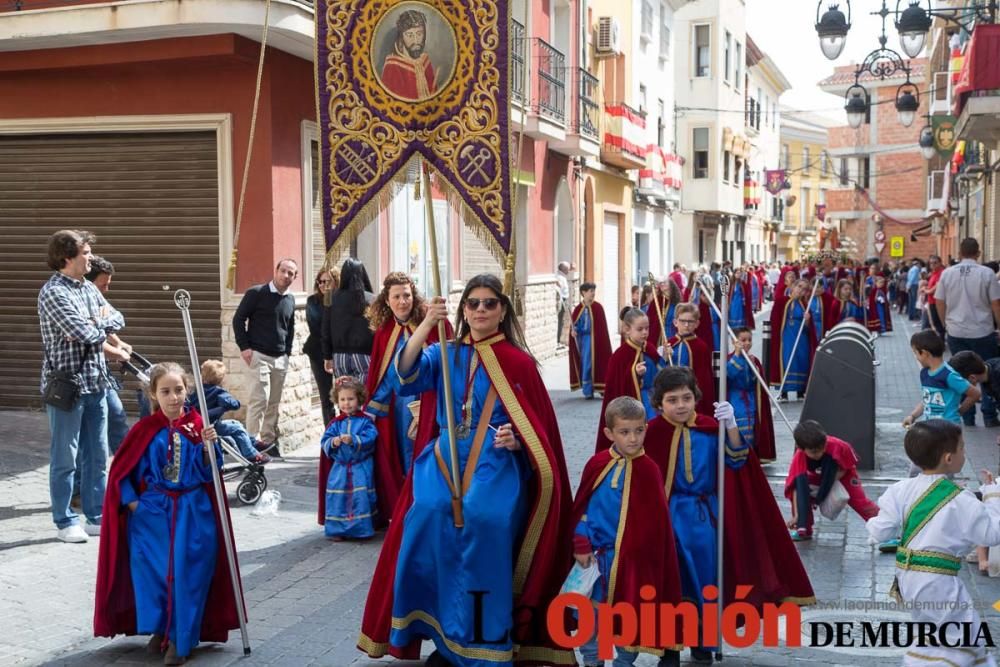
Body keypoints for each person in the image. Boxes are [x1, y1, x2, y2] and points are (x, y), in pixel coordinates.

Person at [358, 274, 574, 667]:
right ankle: (441, 635)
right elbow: (402, 375)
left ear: (502, 310)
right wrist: (426, 323)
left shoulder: (519, 362)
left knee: (485, 520)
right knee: (426, 515)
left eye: (489, 303)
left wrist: (517, 439)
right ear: (462, 310)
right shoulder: (445, 352)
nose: (480, 310)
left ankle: (482, 639)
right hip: (444, 457)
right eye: (472, 303)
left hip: (495, 459)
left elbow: (536, 426)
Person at [644, 367, 815, 663]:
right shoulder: (652, 433)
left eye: (686, 397)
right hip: (668, 519)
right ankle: (669, 647)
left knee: (707, 582)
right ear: (659, 403)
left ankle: (702, 642)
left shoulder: (711, 427)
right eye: (672, 400)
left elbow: (736, 461)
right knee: (672, 583)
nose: (681, 405)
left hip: (706, 520)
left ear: (696, 397)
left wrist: (732, 426)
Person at [94, 362, 242, 665]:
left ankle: (180, 639)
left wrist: (207, 448)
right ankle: (162, 627)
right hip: (152, 518)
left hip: (193, 512)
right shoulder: (144, 430)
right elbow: (121, 475)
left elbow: (209, 474)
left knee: (188, 577)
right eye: (166, 391)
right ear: (153, 394)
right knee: (157, 577)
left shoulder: (199, 426)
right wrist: (136, 505)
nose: (174, 397)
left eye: (179, 390)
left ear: (187, 391)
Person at [867, 420, 1000, 666]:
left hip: (907, 578)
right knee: (962, 637)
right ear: (948, 458)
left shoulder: (900, 489)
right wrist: (993, 497)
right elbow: (991, 534)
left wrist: (871, 526)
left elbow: (881, 530)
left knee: (933, 632)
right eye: (962, 448)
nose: (965, 453)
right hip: (938, 580)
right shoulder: (961, 498)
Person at [570, 396, 682, 667]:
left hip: (633, 564)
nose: (633, 438)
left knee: (628, 617)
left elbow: (656, 527)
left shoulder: (649, 471)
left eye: (639, 430)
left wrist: (639, 552)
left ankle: (624, 662)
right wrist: (581, 541)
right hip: (595, 562)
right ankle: (592, 661)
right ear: (609, 433)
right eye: (624, 432)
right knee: (591, 620)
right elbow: (582, 508)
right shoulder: (597, 465)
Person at [39, 230, 125, 542]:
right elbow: (81, 331)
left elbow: (117, 317)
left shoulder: (89, 288)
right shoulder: (53, 293)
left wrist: (95, 322)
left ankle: (96, 515)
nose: (90, 258)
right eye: (85, 253)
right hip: (68, 388)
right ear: (67, 258)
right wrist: (95, 325)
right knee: (65, 457)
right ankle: (64, 521)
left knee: (98, 455)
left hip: (97, 383)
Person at [364, 271, 450, 519]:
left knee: (425, 452)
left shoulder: (432, 324)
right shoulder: (384, 331)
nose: (403, 301)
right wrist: (373, 406)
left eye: (407, 295)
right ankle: (403, 506)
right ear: (386, 300)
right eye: (397, 296)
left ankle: (424, 505)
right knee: (401, 455)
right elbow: (380, 373)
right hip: (396, 407)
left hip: (428, 400)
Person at [232, 258, 298, 455]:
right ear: (276, 271)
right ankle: (251, 443)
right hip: (258, 355)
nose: (285, 276)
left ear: (294, 278)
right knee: (260, 400)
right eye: (283, 271)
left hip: (280, 358)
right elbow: (238, 319)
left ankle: (268, 443)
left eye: (290, 273)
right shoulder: (257, 293)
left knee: (273, 403)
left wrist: (287, 353)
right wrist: (244, 347)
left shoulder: (290, 299)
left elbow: (290, 328)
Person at [935, 238, 1000, 427]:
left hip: (956, 330)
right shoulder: (987, 274)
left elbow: (939, 301)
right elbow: (996, 304)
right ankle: (989, 415)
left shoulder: (947, 274)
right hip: (982, 330)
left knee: (961, 373)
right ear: (978, 253)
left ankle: (967, 416)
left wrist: (944, 324)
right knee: (987, 372)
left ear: (960, 253)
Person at [783, 420, 878, 541]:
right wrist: (797, 515)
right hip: (816, 475)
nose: (820, 453)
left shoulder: (839, 446)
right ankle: (804, 528)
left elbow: (847, 466)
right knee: (801, 490)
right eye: (814, 452)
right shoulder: (799, 458)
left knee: (860, 502)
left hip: (842, 472)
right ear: (801, 448)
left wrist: (826, 487)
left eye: (822, 448)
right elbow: (796, 488)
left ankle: (884, 524)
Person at [595, 308, 666, 450]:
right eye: (640, 329)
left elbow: (662, 373)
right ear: (628, 329)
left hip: (653, 400)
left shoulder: (650, 348)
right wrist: (634, 373)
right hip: (636, 404)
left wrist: (665, 357)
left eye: (647, 328)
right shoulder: (620, 355)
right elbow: (617, 384)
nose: (645, 332)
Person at [318, 377, 378, 540]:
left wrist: (354, 439)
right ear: (337, 401)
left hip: (360, 466)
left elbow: (371, 436)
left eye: (350, 399)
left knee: (360, 497)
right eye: (342, 399)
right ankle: (337, 530)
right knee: (337, 497)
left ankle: (360, 529)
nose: (347, 403)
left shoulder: (366, 421)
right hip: (340, 468)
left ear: (359, 399)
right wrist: (334, 441)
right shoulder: (336, 424)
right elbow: (325, 440)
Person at [85, 255, 131, 455]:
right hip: (84, 376)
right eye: (103, 285)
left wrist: (119, 342)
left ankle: (126, 467)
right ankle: (79, 484)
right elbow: (90, 336)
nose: (107, 290)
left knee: (117, 417)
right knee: (88, 436)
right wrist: (118, 354)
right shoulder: (76, 300)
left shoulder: (97, 299)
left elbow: (114, 318)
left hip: (101, 375)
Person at [186, 360, 270, 464]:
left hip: (195, 425)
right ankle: (251, 454)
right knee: (237, 428)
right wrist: (225, 407)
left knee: (235, 424)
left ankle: (252, 442)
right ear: (221, 379)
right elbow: (233, 404)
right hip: (211, 427)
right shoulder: (218, 391)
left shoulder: (195, 390)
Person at [902, 330, 980, 431]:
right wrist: (912, 416)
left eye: (915, 353)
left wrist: (959, 412)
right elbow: (927, 400)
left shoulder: (949, 375)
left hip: (948, 429)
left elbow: (975, 394)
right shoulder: (924, 373)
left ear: (925, 353)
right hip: (930, 428)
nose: (916, 357)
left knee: (952, 448)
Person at [727, 327, 775, 462]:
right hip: (736, 400)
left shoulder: (754, 360)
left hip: (752, 400)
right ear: (734, 341)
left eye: (749, 340)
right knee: (739, 429)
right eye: (743, 340)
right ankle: (739, 457)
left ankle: (751, 457)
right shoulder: (729, 359)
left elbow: (757, 382)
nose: (747, 343)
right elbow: (729, 374)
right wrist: (737, 355)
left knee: (752, 429)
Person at [323, 258, 375, 382]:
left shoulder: (331, 298)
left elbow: (325, 330)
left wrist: (327, 356)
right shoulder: (372, 299)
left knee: (344, 397)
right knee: (363, 396)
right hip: (365, 355)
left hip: (339, 356)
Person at [664, 303, 715, 416]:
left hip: (690, 393)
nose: (686, 325)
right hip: (671, 391)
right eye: (682, 321)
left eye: (690, 321)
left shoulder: (701, 347)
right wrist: (664, 358)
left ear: (697, 324)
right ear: (675, 322)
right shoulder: (669, 344)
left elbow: (704, 379)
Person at [769, 279, 815, 401]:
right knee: (786, 360)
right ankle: (784, 392)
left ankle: (800, 391)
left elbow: (810, 329)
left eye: (804, 289)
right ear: (793, 286)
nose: (801, 290)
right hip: (786, 338)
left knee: (801, 362)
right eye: (799, 286)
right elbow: (775, 320)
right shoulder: (780, 301)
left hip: (801, 339)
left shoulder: (805, 305)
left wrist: (807, 320)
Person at [380, 9, 438, 101]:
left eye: (419, 34)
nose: (416, 41)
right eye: (409, 35)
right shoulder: (392, 67)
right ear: (401, 37)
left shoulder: (425, 60)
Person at [304, 268, 338, 426]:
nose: (324, 285)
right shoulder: (312, 301)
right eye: (321, 282)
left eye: (327, 281)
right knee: (326, 397)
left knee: (346, 394)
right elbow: (317, 326)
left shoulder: (341, 300)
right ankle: (330, 433)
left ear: (336, 281)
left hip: (340, 352)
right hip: (318, 353)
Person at [569, 282, 612, 400]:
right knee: (587, 364)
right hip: (585, 341)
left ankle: (602, 387)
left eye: (594, 291)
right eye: (590, 291)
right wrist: (574, 331)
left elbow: (602, 328)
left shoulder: (598, 308)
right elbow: (575, 325)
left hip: (598, 340)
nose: (593, 293)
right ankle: (588, 390)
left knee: (601, 362)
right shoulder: (578, 309)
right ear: (583, 293)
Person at [925, 254, 946, 336]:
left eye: (935, 263)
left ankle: (941, 341)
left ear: (940, 263)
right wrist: (927, 288)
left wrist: (925, 290)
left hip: (937, 302)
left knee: (938, 323)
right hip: (932, 301)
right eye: (931, 263)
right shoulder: (934, 273)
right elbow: (931, 286)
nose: (932, 265)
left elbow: (936, 288)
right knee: (934, 322)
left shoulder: (941, 273)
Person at [555, 261, 571, 346]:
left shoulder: (561, 276)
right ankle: (557, 341)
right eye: (567, 269)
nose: (569, 271)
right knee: (560, 321)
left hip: (564, 300)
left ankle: (559, 340)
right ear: (563, 269)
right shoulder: (560, 277)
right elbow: (559, 288)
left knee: (561, 321)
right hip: (562, 301)